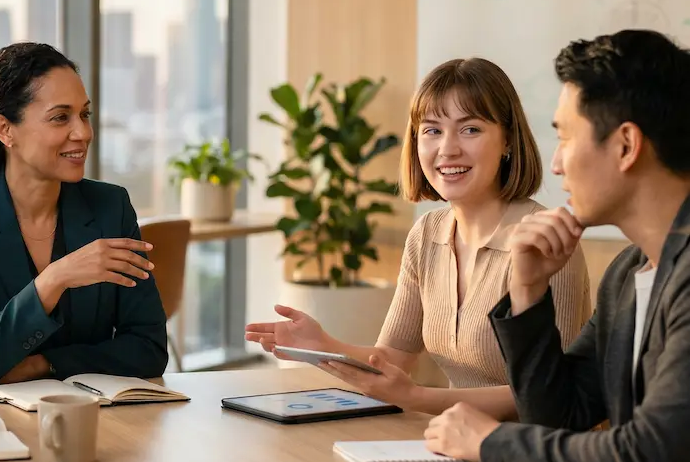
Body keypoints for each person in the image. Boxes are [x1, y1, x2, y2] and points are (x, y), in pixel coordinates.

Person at [425, 29, 690, 462]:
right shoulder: (629, 274)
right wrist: (527, 291)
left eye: (566, 137)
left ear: (626, 146)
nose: (557, 163)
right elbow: (560, 417)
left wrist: (488, 442)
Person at [245, 57, 592, 419]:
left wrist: (420, 399)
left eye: (470, 129)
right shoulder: (427, 234)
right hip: (458, 439)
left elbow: (552, 396)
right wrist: (325, 346)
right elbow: (393, 359)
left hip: (536, 452)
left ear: (507, 140)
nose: (448, 149)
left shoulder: (545, 241)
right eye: (432, 130)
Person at [0, 42, 168, 386]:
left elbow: (149, 349)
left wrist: (43, 364)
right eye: (60, 117)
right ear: (5, 129)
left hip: (91, 417)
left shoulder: (111, 206)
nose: (82, 132)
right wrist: (54, 280)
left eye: (85, 114)